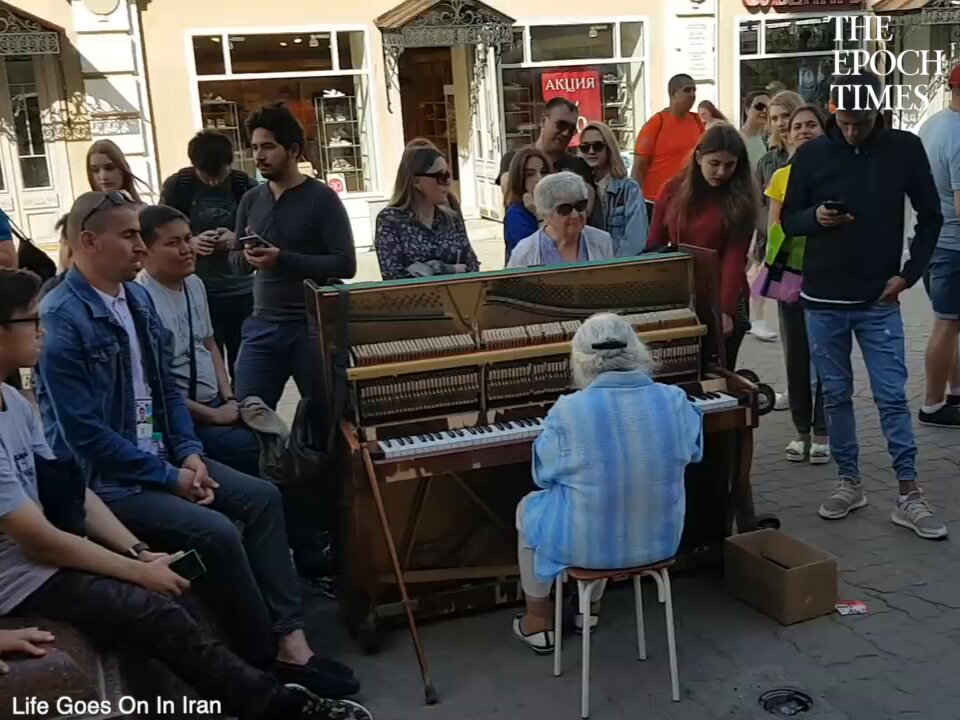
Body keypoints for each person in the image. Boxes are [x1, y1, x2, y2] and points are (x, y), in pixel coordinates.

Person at [0, 268, 371, 720]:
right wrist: (137, 572)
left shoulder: (13, 401)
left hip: (48, 556)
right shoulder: (69, 320)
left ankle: (278, 656)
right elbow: (41, 537)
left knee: (181, 587)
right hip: (22, 581)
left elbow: (71, 491)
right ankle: (278, 704)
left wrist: (138, 553)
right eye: (31, 321)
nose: (42, 330)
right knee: (162, 603)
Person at [782, 72, 945, 539]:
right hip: (822, 298)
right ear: (833, 111)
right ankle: (848, 481)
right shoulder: (812, 153)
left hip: (879, 296)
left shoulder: (904, 148)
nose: (852, 130)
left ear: (878, 112)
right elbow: (790, 220)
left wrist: (909, 274)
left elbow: (931, 216)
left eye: (862, 121)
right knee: (835, 395)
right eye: (845, 121)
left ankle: (908, 492)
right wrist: (817, 217)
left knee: (892, 395)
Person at [512, 313, 703, 651]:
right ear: (638, 350)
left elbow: (542, 475)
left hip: (588, 546)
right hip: (660, 542)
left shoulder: (569, 411)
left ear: (580, 360)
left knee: (531, 506)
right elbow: (693, 452)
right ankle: (590, 610)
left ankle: (537, 620)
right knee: (610, 496)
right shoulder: (674, 400)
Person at [230, 104, 356, 409]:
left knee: (326, 419)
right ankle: (270, 459)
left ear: (293, 150)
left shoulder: (322, 198)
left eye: (269, 147)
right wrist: (249, 257)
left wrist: (282, 259)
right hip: (262, 324)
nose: (259, 155)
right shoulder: (251, 199)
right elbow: (234, 262)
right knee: (247, 410)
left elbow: (345, 264)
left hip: (310, 328)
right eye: (255, 147)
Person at [137, 205, 260, 478]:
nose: (186, 249)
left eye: (187, 238)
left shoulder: (194, 284)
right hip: (183, 420)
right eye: (173, 243)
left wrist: (229, 397)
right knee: (253, 450)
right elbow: (151, 388)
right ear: (144, 251)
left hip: (217, 403)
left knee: (270, 433)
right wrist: (213, 416)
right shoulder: (141, 301)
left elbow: (209, 344)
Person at [648, 124, 758, 369]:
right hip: (680, 295)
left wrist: (726, 311)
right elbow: (654, 245)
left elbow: (734, 257)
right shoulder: (671, 190)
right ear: (698, 157)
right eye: (715, 163)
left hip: (725, 294)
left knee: (720, 372)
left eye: (730, 165)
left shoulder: (740, 199)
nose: (721, 172)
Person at [161, 131, 259, 382]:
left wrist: (235, 238)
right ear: (194, 166)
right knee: (206, 363)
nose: (214, 182)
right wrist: (190, 242)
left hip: (241, 290)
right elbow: (160, 231)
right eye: (207, 175)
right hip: (197, 290)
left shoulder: (244, 185)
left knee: (245, 365)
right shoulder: (179, 187)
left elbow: (264, 230)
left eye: (220, 174)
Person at [764, 105, 830, 464]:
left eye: (811, 125)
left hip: (831, 278)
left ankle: (823, 431)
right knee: (797, 358)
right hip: (792, 279)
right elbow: (775, 230)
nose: (803, 130)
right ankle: (801, 430)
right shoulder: (780, 178)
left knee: (827, 357)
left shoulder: (839, 172)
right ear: (787, 136)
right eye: (796, 126)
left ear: (824, 130)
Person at [918, 64, 960, 428]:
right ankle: (932, 403)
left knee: (952, 321)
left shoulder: (933, 124)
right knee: (947, 323)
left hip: (932, 240)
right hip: (954, 245)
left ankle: (955, 391)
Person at [374, 143, 479, 280]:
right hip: (414, 300)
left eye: (448, 174)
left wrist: (424, 269)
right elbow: (394, 277)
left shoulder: (451, 218)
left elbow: (472, 266)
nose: (447, 182)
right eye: (440, 176)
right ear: (416, 180)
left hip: (456, 298)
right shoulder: (390, 220)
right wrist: (452, 269)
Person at [497, 97, 603, 229]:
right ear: (543, 121)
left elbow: (582, 213)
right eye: (561, 125)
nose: (566, 133)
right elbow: (512, 198)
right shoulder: (514, 159)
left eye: (571, 129)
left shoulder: (579, 165)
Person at [751, 91, 805, 346]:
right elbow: (761, 205)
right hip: (778, 243)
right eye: (775, 118)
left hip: (809, 247)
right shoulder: (767, 161)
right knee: (791, 327)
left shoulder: (814, 153)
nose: (781, 123)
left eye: (786, 115)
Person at [632, 74, 704, 222]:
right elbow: (639, 166)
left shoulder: (697, 121)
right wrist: (635, 202)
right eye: (687, 90)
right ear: (673, 93)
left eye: (694, 90)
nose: (692, 95)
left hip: (688, 200)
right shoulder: (656, 123)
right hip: (656, 203)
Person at [507, 172, 614, 268]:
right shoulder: (525, 252)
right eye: (565, 209)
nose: (575, 215)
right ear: (547, 214)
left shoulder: (602, 241)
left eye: (580, 205)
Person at [579, 122, 648, 255]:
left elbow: (635, 240)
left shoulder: (629, 188)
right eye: (585, 147)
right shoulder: (580, 189)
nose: (591, 151)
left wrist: (613, 267)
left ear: (609, 148)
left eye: (597, 146)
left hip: (619, 265)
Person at [503, 147, 549, 261]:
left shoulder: (554, 208)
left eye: (543, 172)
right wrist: (538, 215)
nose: (539, 178)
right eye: (530, 174)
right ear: (520, 178)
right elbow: (538, 254)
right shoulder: (516, 214)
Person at [740, 92, 770, 169]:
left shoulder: (770, 141)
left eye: (768, 108)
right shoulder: (735, 138)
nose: (764, 111)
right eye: (759, 106)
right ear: (747, 110)